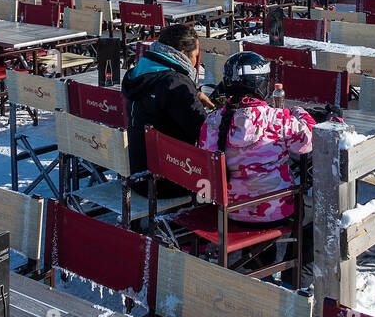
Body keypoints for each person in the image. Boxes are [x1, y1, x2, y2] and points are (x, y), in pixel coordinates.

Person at [199, 52, 315, 225]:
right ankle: (298, 242)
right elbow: (311, 141)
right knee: (311, 212)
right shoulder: (278, 119)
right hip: (275, 212)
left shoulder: (212, 120)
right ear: (260, 83)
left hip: (229, 211)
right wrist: (299, 112)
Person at [122, 24, 214, 180]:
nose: (195, 62)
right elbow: (203, 132)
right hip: (168, 177)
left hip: (138, 170)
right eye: (195, 56)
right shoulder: (176, 83)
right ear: (183, 53)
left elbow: (158, 99)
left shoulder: (139, 71)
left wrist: (194, 94)